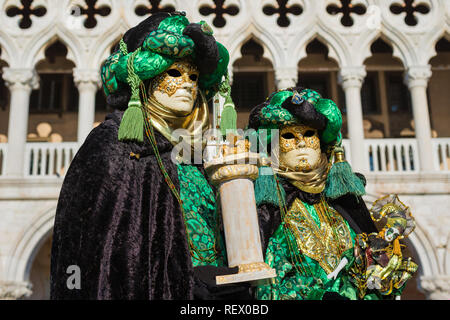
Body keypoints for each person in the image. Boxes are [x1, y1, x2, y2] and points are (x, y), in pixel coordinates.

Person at [50, 11, 251, 300]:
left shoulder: (196, 156)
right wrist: (186, 285)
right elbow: (96, 260)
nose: (188, 84)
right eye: (174, 73)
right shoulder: (115, 147)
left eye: (194, 76)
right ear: (144, 78)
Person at [247, 87, 418, 300]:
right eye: (289, 136)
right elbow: (266, 286)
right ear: (273, 148)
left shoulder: (343, 203)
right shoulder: (268, 210)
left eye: (309, 134)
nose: (301, 142)